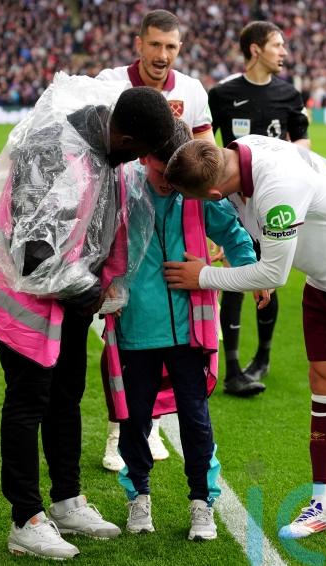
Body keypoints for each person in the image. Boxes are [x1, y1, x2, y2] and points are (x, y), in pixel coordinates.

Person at [162, 135, 326, 560]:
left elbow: (273, 274)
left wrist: (203, 277)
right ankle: (324, 505)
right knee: (324, 386)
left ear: (215, 194)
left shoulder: (277, 189)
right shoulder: (238, 151)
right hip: (325, 278)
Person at [0, 78, 175, 561]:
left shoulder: (104, 144)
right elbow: (33, 255)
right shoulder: (52, 151)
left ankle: (66, 500)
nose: (134, 162)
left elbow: (96, 225)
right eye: (137, 153)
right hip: (23, 299)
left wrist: (100, 285)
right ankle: (25, 518)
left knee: (66, 393)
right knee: (28, 401)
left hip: (67, 299)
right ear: (125, 138)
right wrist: (89, 292)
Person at [106, 120, 259, 540]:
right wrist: (103, 284)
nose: (169, 179)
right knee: (134, 419)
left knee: (195, 419)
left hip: (190, 330)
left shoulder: (194, 190)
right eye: (161, 169)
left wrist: (252, 273)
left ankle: (201, 502)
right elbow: (94, 243)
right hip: (135, 328)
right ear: (144, 158)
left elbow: (233, 234)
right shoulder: (123, 191)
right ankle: (138, 494)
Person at [96, 8, 215, 471]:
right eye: (154, 45)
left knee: (168, 334)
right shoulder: (109, 84)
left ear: (179, 48)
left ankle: (148, 426)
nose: (162, 55)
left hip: (172, 226)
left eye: (170, 47)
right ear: (139, 44)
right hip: (119, 226)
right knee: (120, 336)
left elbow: (205, 155)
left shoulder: (192, 91)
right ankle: (117, 434)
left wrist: (210, 228)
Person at [207, 20, 310, 397]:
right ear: (255, 49)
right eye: (277, 45)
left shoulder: (289, 94)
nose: (284, 52)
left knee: (269, 275)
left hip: (271, 202)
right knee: (236, 277)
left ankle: (262, 356)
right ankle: (233, 367)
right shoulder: (222, 94)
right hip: (234, 204)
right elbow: (208, 148)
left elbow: (304, 145)